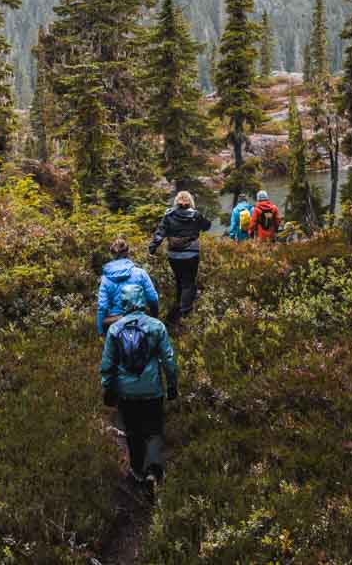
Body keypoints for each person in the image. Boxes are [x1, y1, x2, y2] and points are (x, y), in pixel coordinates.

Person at [100, 283, 178, 485]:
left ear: (124, 303)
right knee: (153, 430)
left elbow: (108, 363)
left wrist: (108, 387)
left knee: (133, 432)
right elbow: (168, 359)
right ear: (142, 300)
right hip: (152, 390)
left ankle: (137, 471)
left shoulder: (115, 329)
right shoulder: (156, 326)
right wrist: (172, 385)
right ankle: (153, 470)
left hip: (127, 393)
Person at [148, 190, 211, 320]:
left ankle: (177, 308)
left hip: (174, 255)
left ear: (176, 201)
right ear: (190, 201)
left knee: (179, 280)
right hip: (191, 254)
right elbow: (206, 226)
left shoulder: (169, 215)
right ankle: (185, 313)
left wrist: (152, 248)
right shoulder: (196, 215)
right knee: (188, 283)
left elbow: (160, 232)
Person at [96, 237, 160, 334]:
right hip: (139, 321)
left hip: (115, 324)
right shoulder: (140, 273)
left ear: (112, 254)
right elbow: (153, 298)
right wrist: (155, 319)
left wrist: (101, 331)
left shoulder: (106, 279)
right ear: (128, 252)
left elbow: (102, 307)